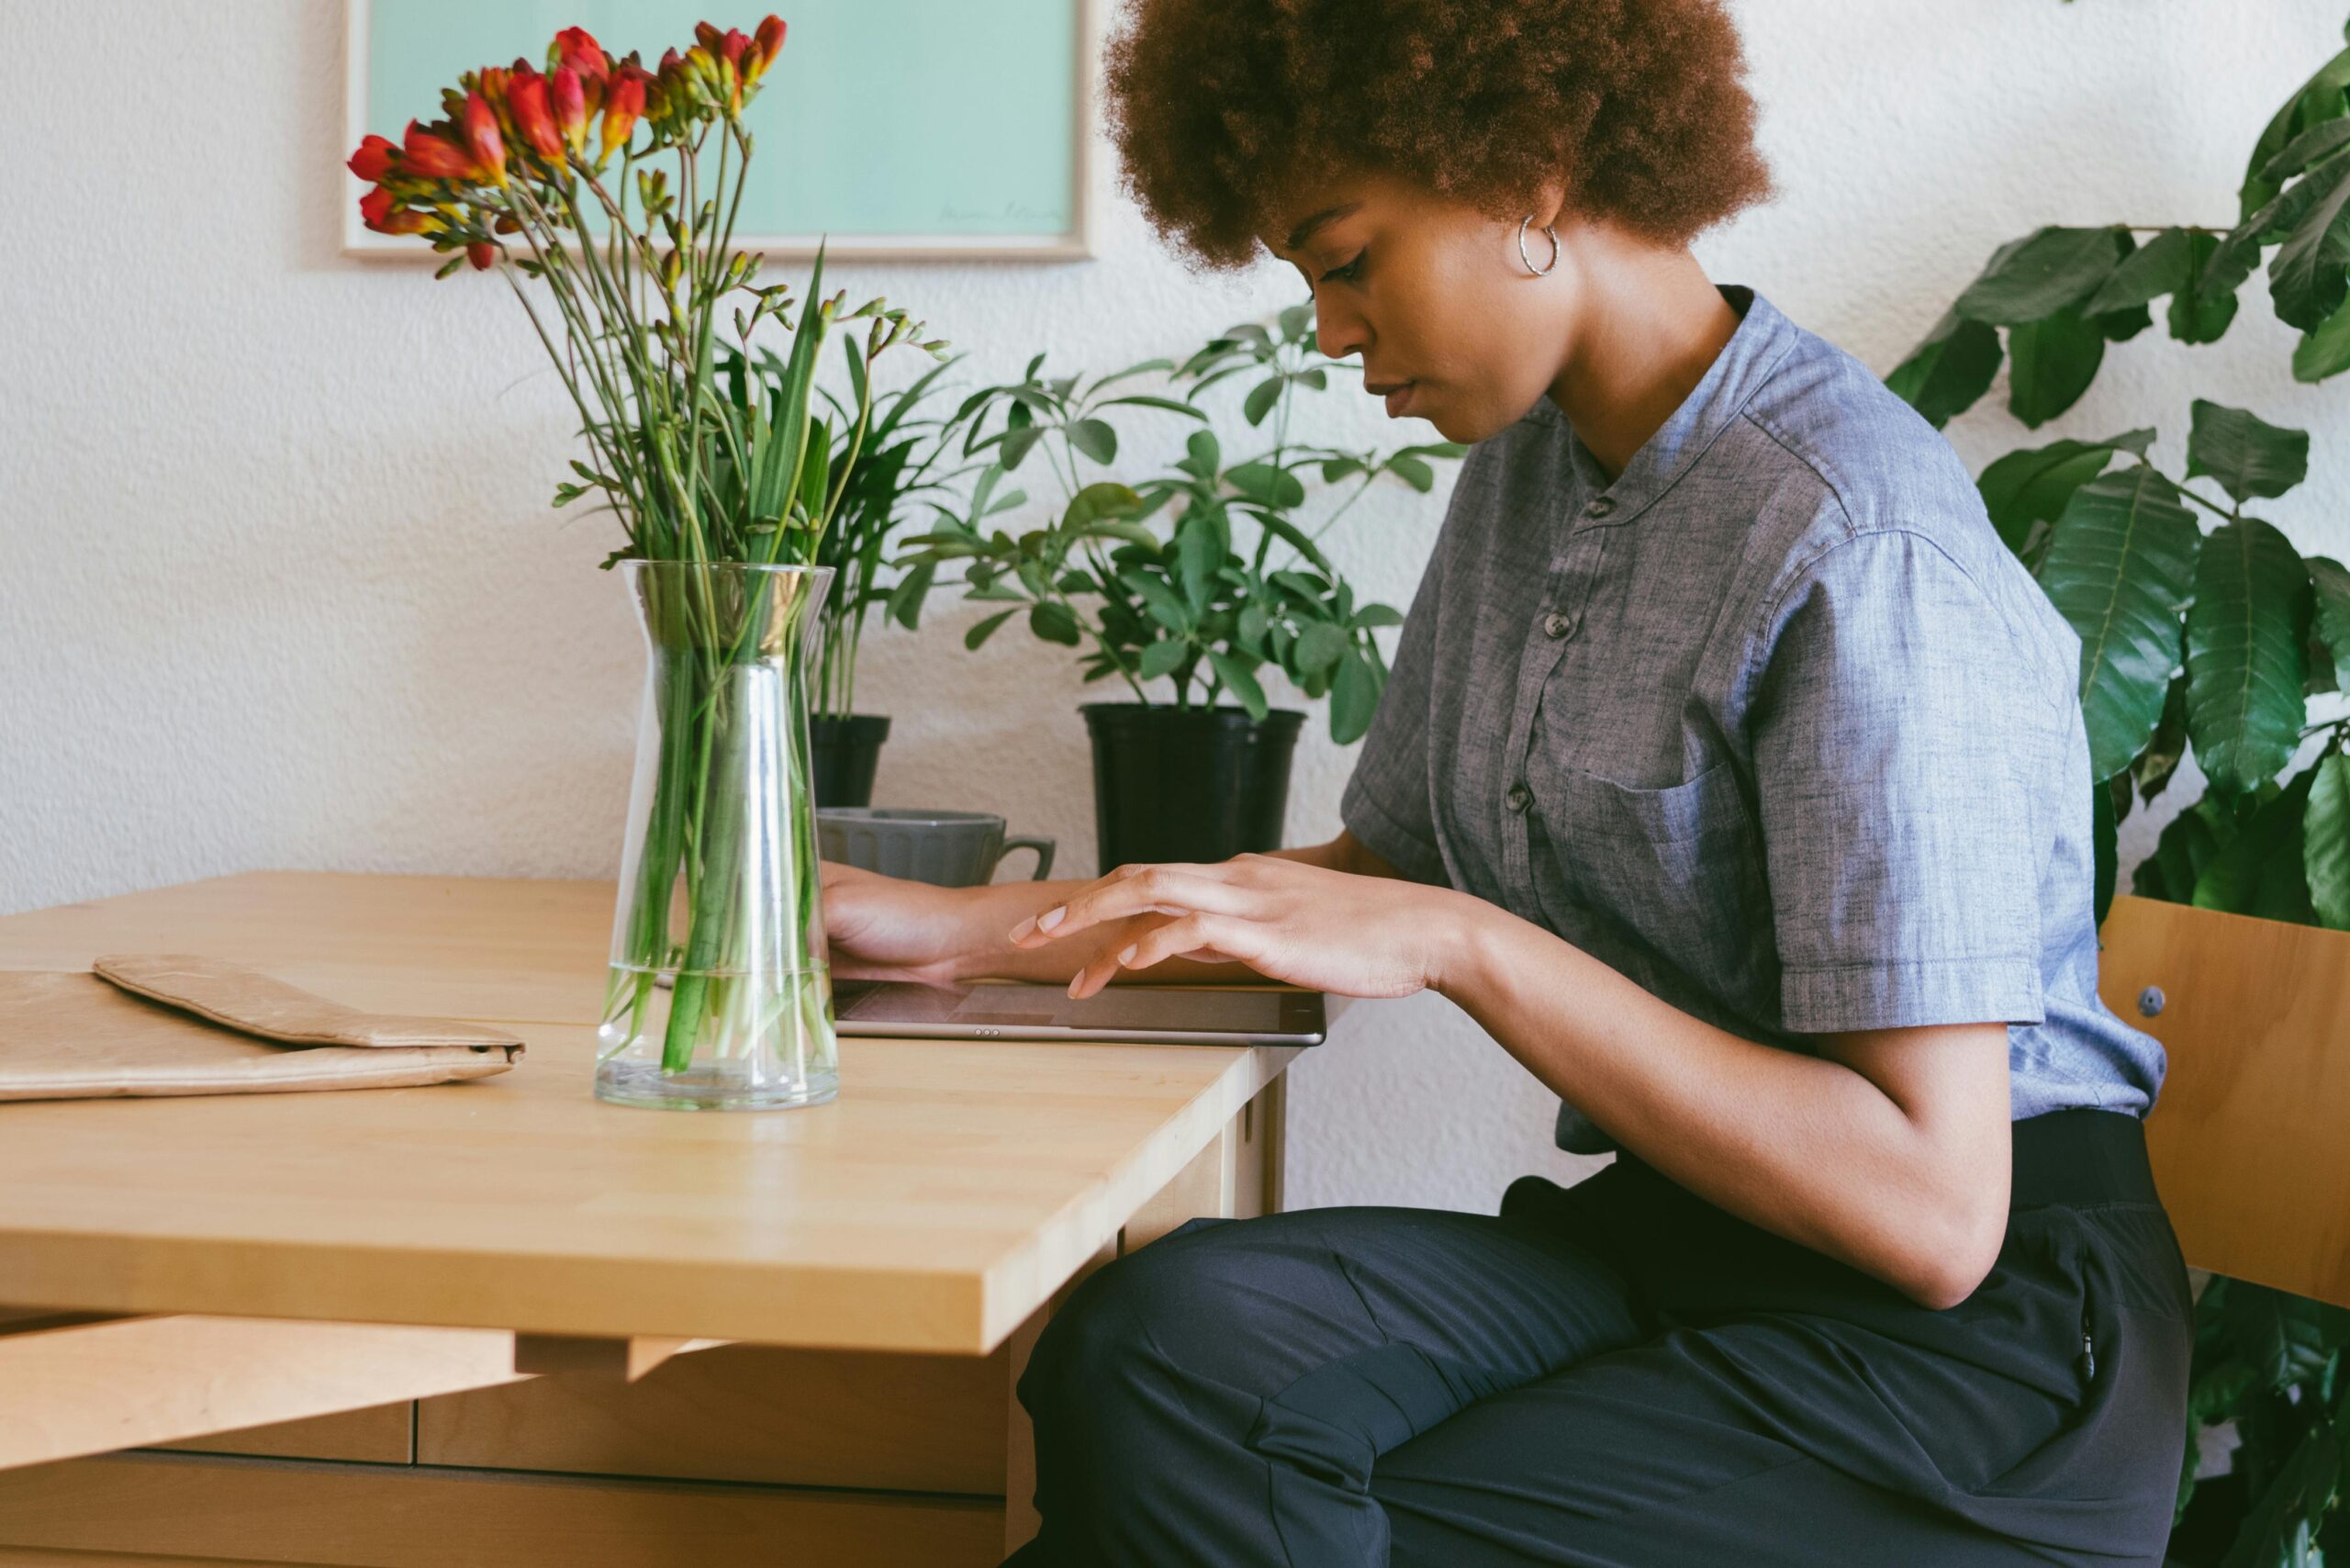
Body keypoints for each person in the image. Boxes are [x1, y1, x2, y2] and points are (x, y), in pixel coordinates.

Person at [819, 0, 2195, 1561]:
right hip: (1683, 1248)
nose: (1330, 332)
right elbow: (1357, 890)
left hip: (1976, 1364)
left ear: (1529, 175)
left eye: (1346, 260)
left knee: (1242, 1497)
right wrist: (960, 935)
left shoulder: (1854, 543)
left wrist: (1464, 942)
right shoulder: (1528, 476)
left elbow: (1934, 1217)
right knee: (1156, 1348)